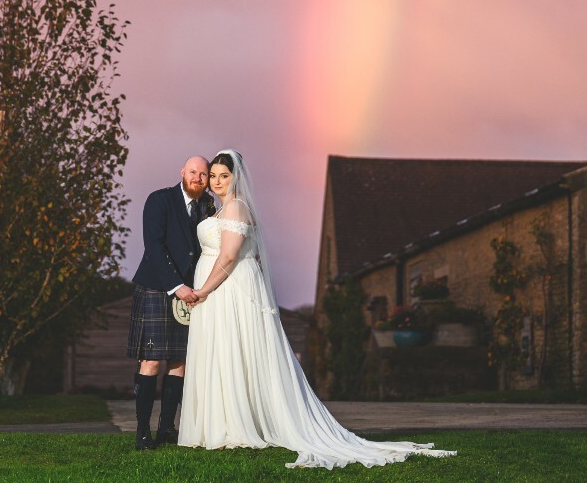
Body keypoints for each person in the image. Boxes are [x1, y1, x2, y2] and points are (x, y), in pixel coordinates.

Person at [179, 149, 457, 470]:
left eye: (224, 176)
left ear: (236, 177)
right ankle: (220, 421)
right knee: (220, 351)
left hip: (226, 289)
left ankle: (235, 424)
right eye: (213, 176)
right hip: (217, 290)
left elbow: (229, 257)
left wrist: (202, 290)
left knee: (232, 351)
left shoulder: (237, 208)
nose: (216, 182)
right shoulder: (220, 209)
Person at [127, 155, 215, 450]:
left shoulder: (209, 207)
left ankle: (166, 428)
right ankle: (142, 432)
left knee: (179, 361)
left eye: (203, 174)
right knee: (151, 361)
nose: (197, 178)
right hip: (157, 288)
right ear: (182, 172)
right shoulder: (160, 200)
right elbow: (154, 245)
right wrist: (177, 286)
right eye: (193, 172)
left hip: (190, 293)